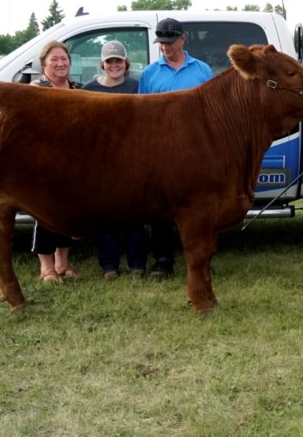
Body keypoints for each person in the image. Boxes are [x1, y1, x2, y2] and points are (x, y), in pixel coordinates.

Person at [139, 17, 214, 279]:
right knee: (160, 205)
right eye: (162, 43)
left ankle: (202, 258)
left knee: (199, 205)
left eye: (170, 42)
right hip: (162, 150)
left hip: (196, 149)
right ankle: (163, 260)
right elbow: (141, 116)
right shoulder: (149, 74)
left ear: (183, 39)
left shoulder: (203, 71)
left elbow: (211, 111)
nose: (166, 48)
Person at [82, 40, 146, 280]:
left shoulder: (136, 87)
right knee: (104, 216)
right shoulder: (88, 89)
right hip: (101, 163)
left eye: (118, 61)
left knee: (133, 215)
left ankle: (137, 265)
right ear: (103, 64)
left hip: (131, 161)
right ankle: (109, 267)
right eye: (110, 61)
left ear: (125, 63)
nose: (114, 65)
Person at [30, 40, 82, 283]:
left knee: (68, 213)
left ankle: (62, 263)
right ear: (44, 64)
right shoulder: (34, 89)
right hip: (44, 162)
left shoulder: (78, 88)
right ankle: (46, 267)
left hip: (73, 163)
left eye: (64, 59)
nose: (61, 64)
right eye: (55, 60)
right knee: (44, 213)